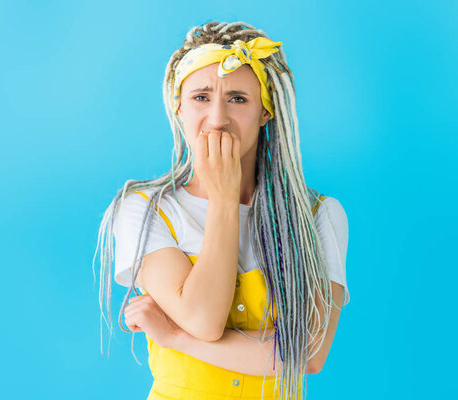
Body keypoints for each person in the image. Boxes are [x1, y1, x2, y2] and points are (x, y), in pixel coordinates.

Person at [93, 21, 350, 400]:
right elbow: (205, 319)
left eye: (238, 99)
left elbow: (308, 354)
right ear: (178, 107)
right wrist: (225, 200)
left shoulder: (319, 215)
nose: (217, 118)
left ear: (266, 111)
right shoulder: (143, 210)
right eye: (200, 97)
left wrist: (175, 337)